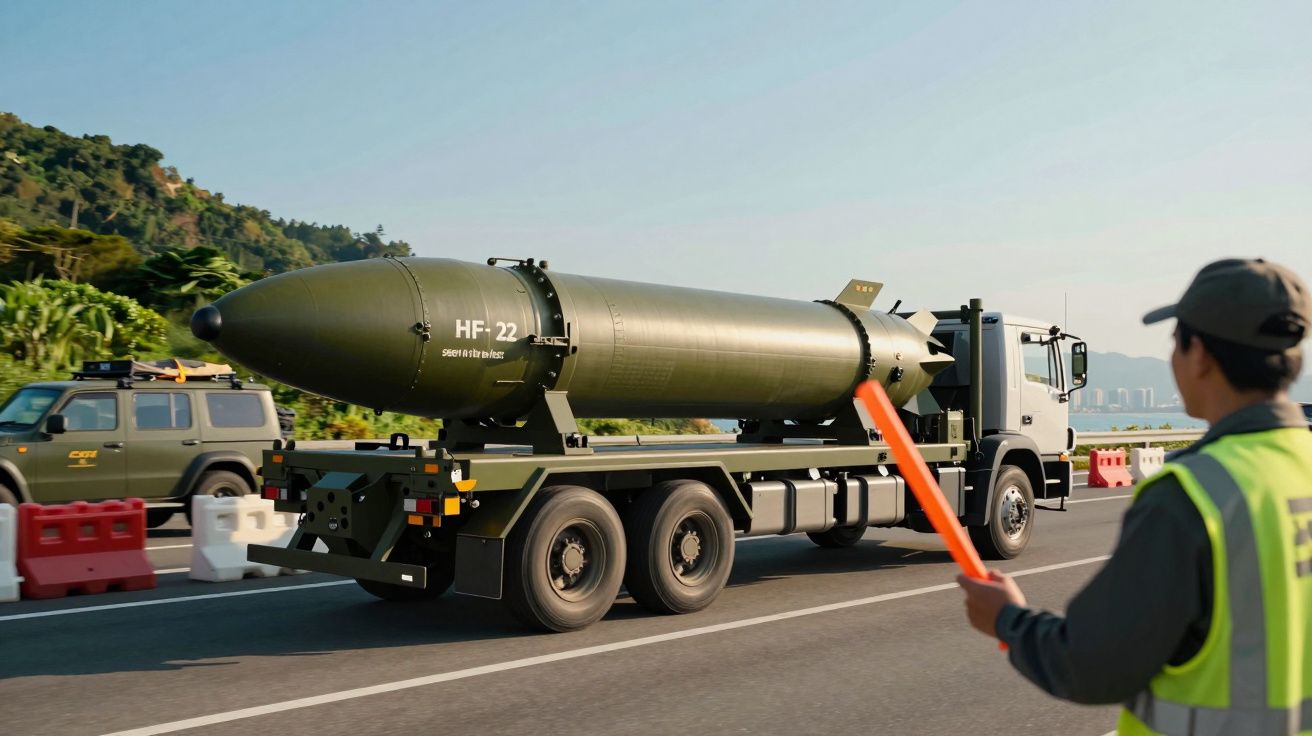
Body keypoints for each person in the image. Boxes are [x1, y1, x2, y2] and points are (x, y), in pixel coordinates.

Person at [957, 258, 1312, 735]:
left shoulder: (1193, 495)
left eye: (1175, 341)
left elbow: (1091, 663)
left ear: (1199, 354)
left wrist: (1007, 619)